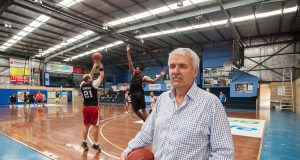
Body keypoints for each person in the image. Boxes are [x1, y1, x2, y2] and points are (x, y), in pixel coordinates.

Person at [121, 48, 234, 160]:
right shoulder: (162, 100)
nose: (175, 71)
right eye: (172, 66)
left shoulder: (211, 103)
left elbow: (223, 153)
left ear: (195, 71)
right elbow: (146, 133)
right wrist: (128, 151)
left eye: (182, 66)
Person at [126, 44, 165, 121]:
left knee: (143, 109)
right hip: (133, 95)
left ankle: (146, 123)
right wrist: (128, 52)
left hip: (139, 94)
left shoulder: (144, 77)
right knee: (135, 110)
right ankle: (145, 120)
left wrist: (160, 75)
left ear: (140, 71)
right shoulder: (133, 74)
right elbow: (130, 62)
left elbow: (153, 81)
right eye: (135, 68)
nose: (136, 69)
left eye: (137, 69)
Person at [80, 58, 104, 151]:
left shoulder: (82, 84)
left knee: (86, 125)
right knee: (95, 126)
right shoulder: (94, 84)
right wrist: (100, 65)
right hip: (93, 108)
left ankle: (84, 142)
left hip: (85, 107)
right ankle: (95, 144)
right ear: (89, 79)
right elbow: (101, 76)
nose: (92, 77)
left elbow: (89, 75)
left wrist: (94, 66)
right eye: (91, 77)